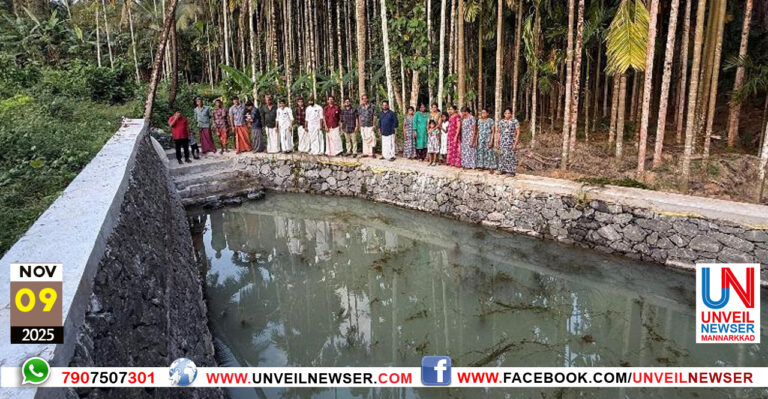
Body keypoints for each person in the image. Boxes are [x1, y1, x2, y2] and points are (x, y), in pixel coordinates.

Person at [496, 107, 520, 176]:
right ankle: (502, 169)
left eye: (509, 113)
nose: (507, 114)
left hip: (511, 141)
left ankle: (511, 171)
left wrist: (515, 143)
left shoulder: (515, 121)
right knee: (502, 155)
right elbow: (499, 132)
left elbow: (518, 132)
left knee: (510, 156)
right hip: (503, 141)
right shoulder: (501, 122)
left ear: (511, 114)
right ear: (504, 114)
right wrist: (498, 141)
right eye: (506, 113)